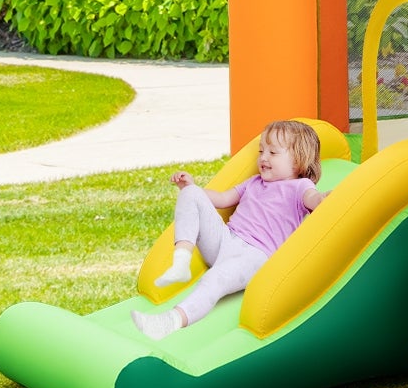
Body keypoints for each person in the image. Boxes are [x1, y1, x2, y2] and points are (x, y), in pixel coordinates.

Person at [132, 120, 325, 339]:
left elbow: (313, 199)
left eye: (273, 152)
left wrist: (323, 199)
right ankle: (181, 261)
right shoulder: (253, 182)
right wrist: (192, 189)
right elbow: (223, 199)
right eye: (261, 151)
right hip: (226, 240)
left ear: (299, 161)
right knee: (191, 194)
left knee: (214, 280)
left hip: (255, 256)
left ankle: (171, 321)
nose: (263, 157)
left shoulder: (300, 187)